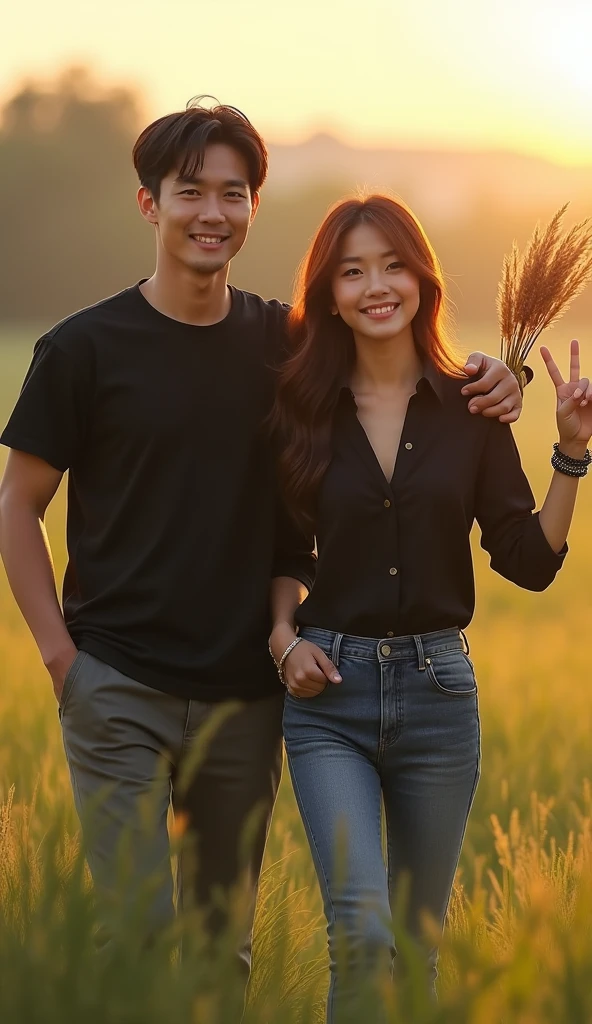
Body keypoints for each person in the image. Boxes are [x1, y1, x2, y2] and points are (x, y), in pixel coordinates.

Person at [0, 101, 522, 987]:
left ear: (252, 207)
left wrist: (491, 376)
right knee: (128, 939)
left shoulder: (285, 346)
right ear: (147, 204)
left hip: (246, 695)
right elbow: (18, 505)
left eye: (233, 194)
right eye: (190, 192)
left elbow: (393, 360)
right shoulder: (83, 349)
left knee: (218, 956)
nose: (213, 213)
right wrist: (63, 661)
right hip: (117, 682)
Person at [269, 192, 592, 1022]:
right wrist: (282, 640)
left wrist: (570, 453)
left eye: (392, 265)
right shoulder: (300, 407)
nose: (376, 286)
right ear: (329, 293)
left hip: (439, 695)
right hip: (327, 697)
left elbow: (528, 561)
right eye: (352, 271)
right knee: (363, 935)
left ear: (422, 279)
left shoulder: (473, 407)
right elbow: (279, 550)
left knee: (415, 948)